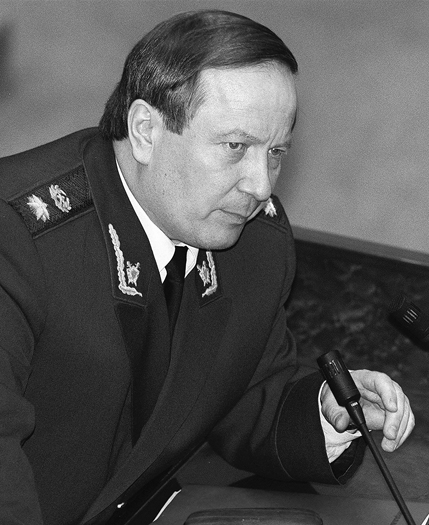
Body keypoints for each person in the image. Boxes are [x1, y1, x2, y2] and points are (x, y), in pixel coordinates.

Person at [0, 9, 414, 525]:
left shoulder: (253, 245)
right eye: (235, 147)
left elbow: (245, 392)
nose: (260, 186)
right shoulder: (17, 238)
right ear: (146, 130)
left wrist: (330, 411)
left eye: (276, 152)